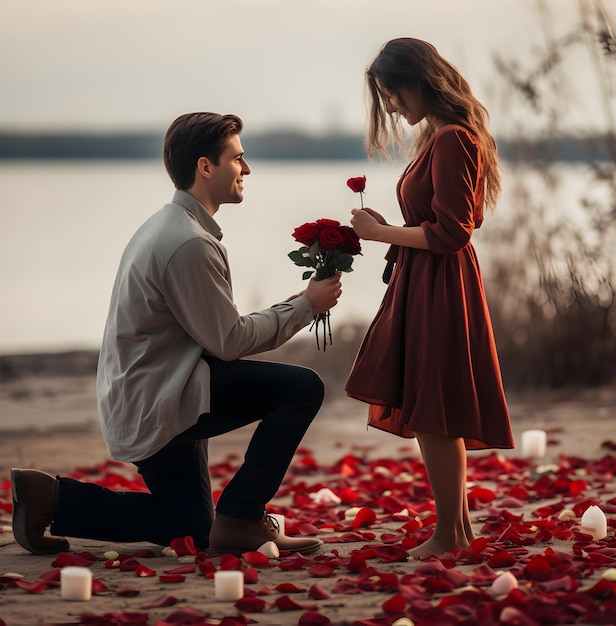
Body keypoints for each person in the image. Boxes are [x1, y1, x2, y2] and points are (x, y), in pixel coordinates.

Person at [11, 112, 342, 557]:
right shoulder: (188, 242)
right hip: (160, 399)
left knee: (188, 528)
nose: (247, 169)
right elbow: (228, 341)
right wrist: (306, 305)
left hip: (157, 389)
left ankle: (48, 497)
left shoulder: (167, 225)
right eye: (238, 159)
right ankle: (242, 517)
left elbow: (212, 340)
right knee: (302, 388)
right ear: (206, 167)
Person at [345, 38, 514, 559]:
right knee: (430, 404)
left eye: (391, 95)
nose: (391, 106)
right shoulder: (440, 138)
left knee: (434, 409)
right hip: (428, 280)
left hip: (441, 282)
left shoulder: (452, 140)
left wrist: (381, 235)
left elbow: (451, 232)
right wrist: (390, 233)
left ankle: (447, 535)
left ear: (417, 81)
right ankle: (458, 532)